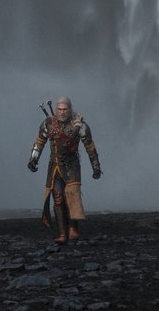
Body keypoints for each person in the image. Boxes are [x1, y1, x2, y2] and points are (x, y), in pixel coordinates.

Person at [27, 96, 102, 244]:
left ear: (70, 109)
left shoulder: (79, 125)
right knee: (58, 198)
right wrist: (33, 159)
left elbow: (90, 147)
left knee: (71, 196)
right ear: (56, 109)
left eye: (65, 109)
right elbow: (39, 142)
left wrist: (96, 167)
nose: (62, 112)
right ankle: (62, 234)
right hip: (54, 166)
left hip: (72, 165)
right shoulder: (48, 123)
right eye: (60, 109)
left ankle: (73, 229)